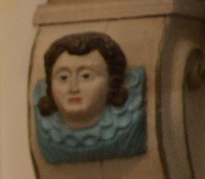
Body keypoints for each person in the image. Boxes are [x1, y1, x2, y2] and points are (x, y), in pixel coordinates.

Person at [34, 31, 145, 165]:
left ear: (112, 81)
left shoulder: (128, 124)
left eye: (86, 76)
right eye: (63, 78)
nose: (73, 88)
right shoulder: (48, 131)